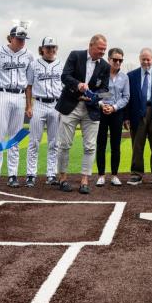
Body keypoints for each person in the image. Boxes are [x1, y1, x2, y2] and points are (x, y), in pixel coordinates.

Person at [54, 34, 110, 194]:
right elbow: (65, 76)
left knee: (90, 146)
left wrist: (94, 96)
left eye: (104, 49)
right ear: (91, 46)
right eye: (100, 49)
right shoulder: (75, 55)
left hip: (91, 109)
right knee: (64, 144)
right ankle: (62, 178)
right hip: (70, 105)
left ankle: (84, 180)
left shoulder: (105, 66)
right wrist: (78, 85)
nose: (102, 52)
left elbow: (105, 91)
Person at [0, 26, 33, 189]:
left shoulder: (28, 55)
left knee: (15, 137)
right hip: (1, 93)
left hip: (19, 95)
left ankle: (13, 175)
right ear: (10, 38)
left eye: (23, 39)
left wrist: (29, 104)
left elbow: (29, 83)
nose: (21, 41)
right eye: (18, 38)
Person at [25, 37, 63, 187]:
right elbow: (28, 86)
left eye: (53, 47)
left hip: (56, 104)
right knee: (34, 141)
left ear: (56, 48)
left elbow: (65, 87)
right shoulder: (34, 65)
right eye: (48, 47)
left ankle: (51, 174)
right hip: (39, 104)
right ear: (42, 49)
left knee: (54, 143)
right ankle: (30, 174)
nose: (50, 50)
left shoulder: (61, 65)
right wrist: (28, 106)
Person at [95, 48, 131, 187]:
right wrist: (102, 104)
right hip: (101, 112)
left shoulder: (124, 77)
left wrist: (114, 107)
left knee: (116, 145)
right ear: (109, 59)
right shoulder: (100, 74)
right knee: (101, 144)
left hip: (117, 113)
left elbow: (126, 97)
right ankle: (101, 175)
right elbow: (95, 92)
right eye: (114, 59)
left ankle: (114, 175)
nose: (117, 62)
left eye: (120, 60)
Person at [125, 48, 152, 185]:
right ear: (139, 59)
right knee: (137, 145)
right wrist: (126, 117)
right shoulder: (131, 75)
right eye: (143, 59)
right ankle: (136, 173)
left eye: (148, 59)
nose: (146, 62)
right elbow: (127, 98)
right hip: (137, 112)